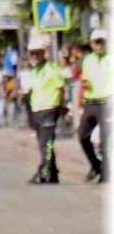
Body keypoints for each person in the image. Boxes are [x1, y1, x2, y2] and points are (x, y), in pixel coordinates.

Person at [26, 34, 67, 184]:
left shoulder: (52, 69)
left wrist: (61, 106)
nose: (35, 55)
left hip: (49, 109)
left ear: (44, 53)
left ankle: (43, 173)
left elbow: (60, 88)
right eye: (32, 53)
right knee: (44, 142)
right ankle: (53, 173)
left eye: (37, 52)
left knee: (46, 143)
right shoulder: (34, 71)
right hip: (37, 110)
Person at [78, 29, 108, 183]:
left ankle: (106, 172)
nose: (100, 45)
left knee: (105, 140)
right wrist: (84, 83)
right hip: (90, 102)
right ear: (91, 44)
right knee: (82, 136)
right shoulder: (88, 60)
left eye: (103, 41)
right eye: (97, 42)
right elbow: (85, 78)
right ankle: (96, 165)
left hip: (106, 102)